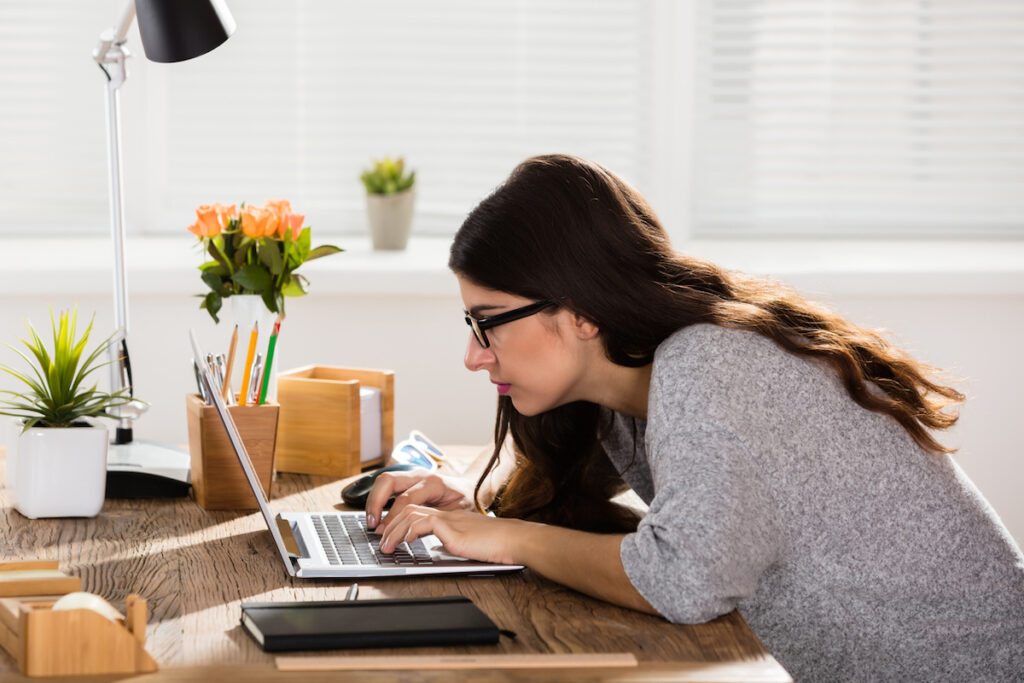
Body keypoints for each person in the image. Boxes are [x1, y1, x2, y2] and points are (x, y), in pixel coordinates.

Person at [365, 154, 1024, 681]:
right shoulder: (628, 384)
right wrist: (465, 493)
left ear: (580, 311)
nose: (472, 356)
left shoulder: (707, 364)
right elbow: (584, 484)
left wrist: (502, 534)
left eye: (487, 324)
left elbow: (685, 578)